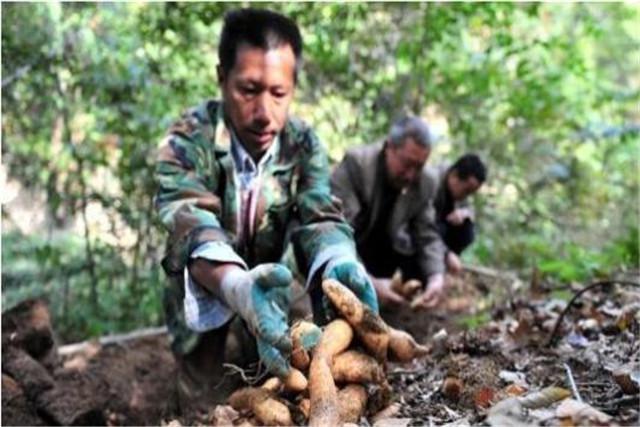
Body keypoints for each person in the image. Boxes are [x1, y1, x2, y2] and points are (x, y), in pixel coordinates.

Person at [154, 8, 376, 412]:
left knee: (287, 377)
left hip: (274, 280)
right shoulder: (189, 139)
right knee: (203, 391)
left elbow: (319, 213)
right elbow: (190, 220)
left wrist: (339, 256)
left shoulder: (303, 143)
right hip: (208, 282)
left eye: (278, 93)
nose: (264, 112)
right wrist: (237, 287)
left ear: (293, 87)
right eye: (248, 90)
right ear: (222, 79)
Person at [330, 116, 448, 310]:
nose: (411, 174)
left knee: (416, 261)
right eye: (406, 163)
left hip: (384, 246)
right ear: (389, 147)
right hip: (349, 242)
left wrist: (436, 276)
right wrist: (364, 280)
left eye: (419, 167)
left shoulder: (426, 182)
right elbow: (335, 231)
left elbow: (426, 233)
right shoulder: (356, 165)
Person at [430, 153, 487, 274]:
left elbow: (470, 211)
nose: (466, 196)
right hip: (424, 234)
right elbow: (422, 226)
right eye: (466, 190)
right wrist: (446, 253)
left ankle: (445, 267)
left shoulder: (460, 194)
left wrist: (464, 213)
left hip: (440, 235)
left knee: (467, 229)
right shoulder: (431, 183)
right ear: (454, 175)